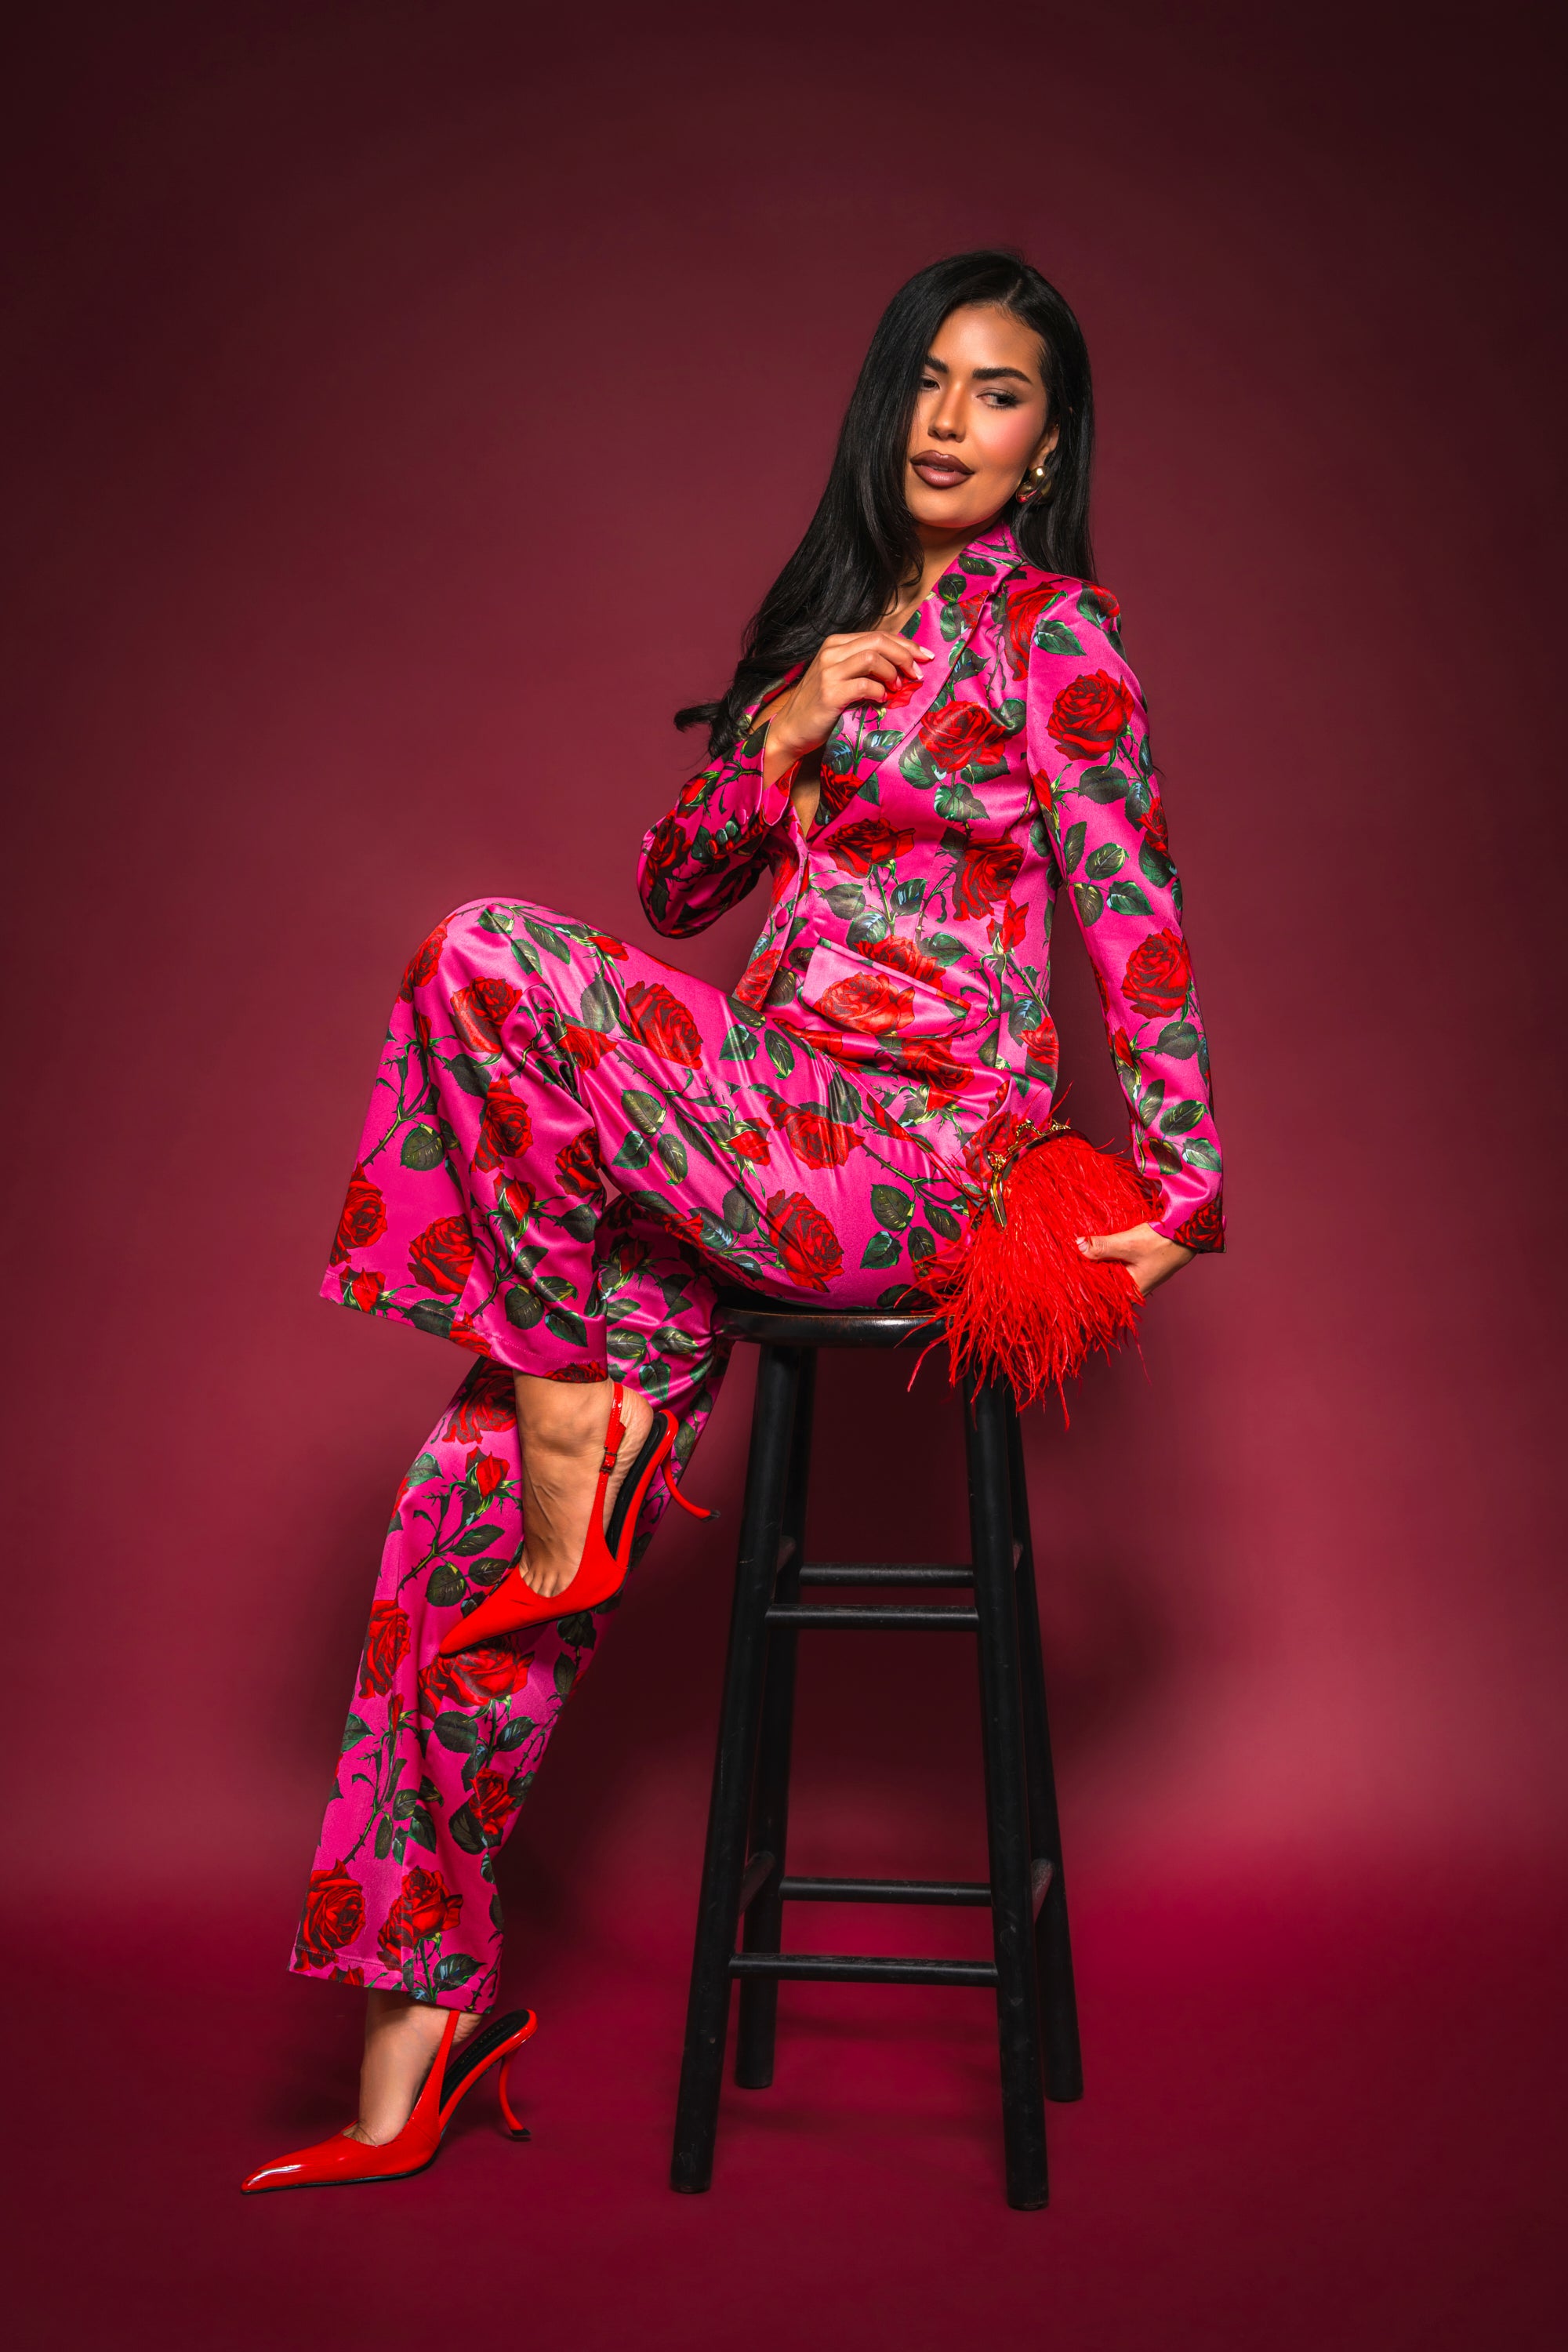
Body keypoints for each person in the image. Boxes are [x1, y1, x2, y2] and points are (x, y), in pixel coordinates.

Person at [241, 249, 1225, 2193]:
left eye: (998, 392)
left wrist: (1186, 1182)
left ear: (1045, 446)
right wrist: (780, 734)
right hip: (740, 1136)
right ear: (890, 407)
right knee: (448, 1521)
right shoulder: (834, 626)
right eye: (928, 381)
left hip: (907, 1160)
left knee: (482, 956)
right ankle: (420, 2028)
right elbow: (682, 888)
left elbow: (1132, 913)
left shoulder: (1062, 647)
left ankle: (572, 1427)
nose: (952, 419)